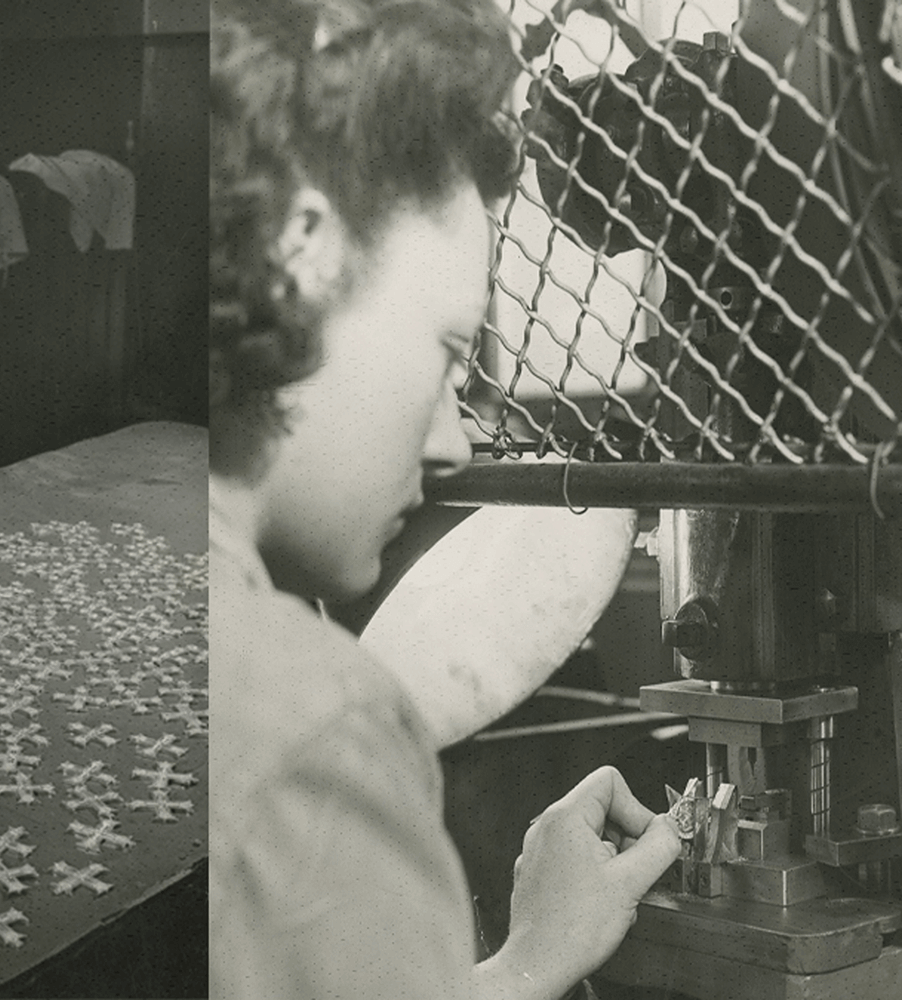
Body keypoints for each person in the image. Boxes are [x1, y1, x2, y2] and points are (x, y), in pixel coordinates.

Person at [208, 1, 683, 998]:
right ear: (304, 253)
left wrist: (520, 964)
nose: (449, 439)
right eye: (448, 352)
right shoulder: (321, 731)